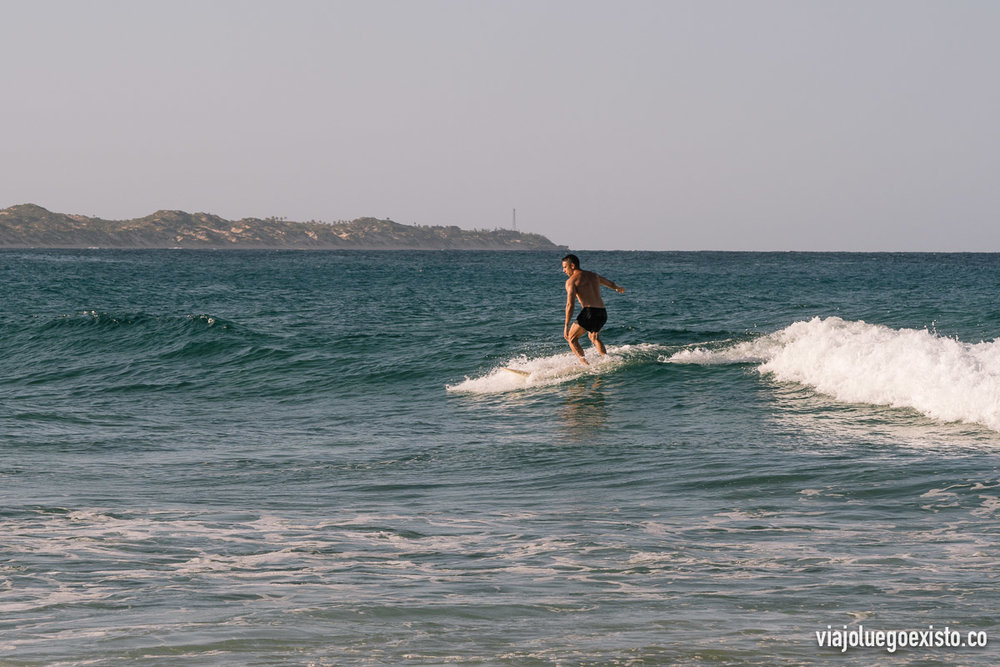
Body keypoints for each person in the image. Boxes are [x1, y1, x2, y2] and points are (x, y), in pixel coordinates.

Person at [561, 253, 625, 366]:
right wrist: (617, 288)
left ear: (572, 265)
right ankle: (607, 360)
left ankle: (585, 365)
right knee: (593, 337)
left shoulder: (571, 281)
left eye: (565, 267)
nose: (563, 270)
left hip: (589, 312)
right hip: (602, 312)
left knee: (571, 339)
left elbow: (570, 304)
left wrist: (566, 325)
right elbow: (609, 283)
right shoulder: (593, 275)